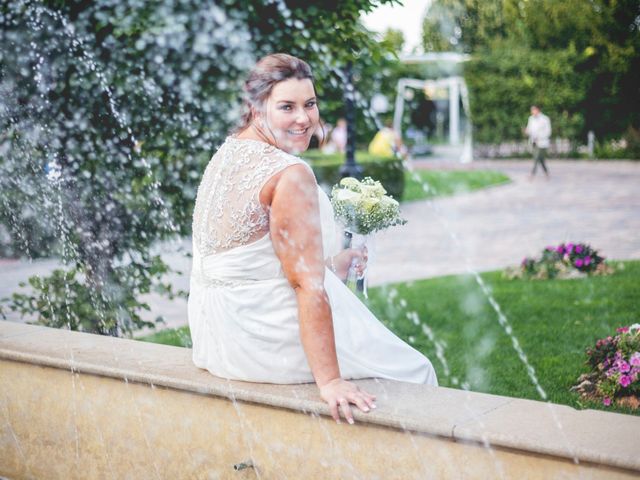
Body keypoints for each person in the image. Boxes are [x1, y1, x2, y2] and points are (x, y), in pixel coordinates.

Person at [188, 53, 437, 425]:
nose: (304, 118)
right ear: (256, 109)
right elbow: (306, 285)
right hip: (260, 337)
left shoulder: (227, 152)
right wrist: (331, 381)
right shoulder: (290, 173)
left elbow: (255, 259)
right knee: (416, 370)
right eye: (287, 106)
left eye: (310, 104)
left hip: (215, 334)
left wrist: (336, 264)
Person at [524, 105, 551, 178]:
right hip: (534, 142)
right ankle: (546, 173)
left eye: (533, 110)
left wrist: (539, 137)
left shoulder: (545, 119)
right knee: (541, 159)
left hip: (542, 143)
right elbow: (530, 130)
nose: (532, 112)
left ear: (538, 110)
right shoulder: (531, 119)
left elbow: (548, 132)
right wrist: (527, 131)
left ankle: (532, 174)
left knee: (536, 158)